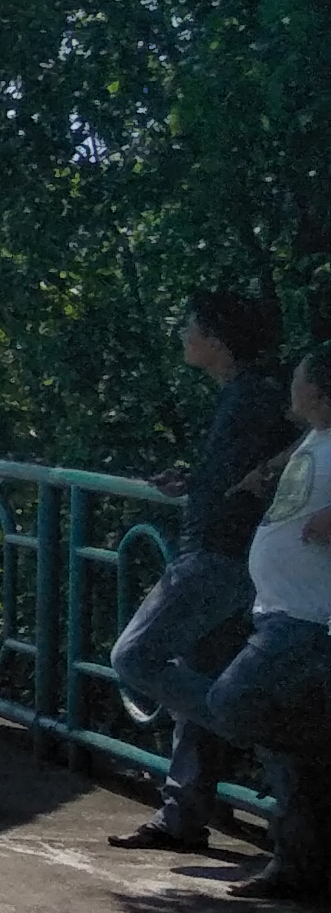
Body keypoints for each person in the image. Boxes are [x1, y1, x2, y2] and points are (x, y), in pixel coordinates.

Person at [107, 290, 299, 852]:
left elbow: (313, 435)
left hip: (219, 556)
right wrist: (196, 480)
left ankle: (267, 735)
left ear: (215, 338)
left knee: (136, 657)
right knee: (198, 677)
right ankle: (182, 816)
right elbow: (244, 466)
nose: (182, 334)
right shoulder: (241, 396)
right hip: (228, 554)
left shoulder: (258, 395)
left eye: (189, 325)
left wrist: (265, 471)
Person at [201, 350, 331, 902]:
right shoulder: (315, 437)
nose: (290, 388)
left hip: (310, 618)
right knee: (295, 758)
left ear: (321, 393)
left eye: (299, 381)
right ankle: (298, 868)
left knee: (234, 701)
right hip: (282, 609)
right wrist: (266, 471)